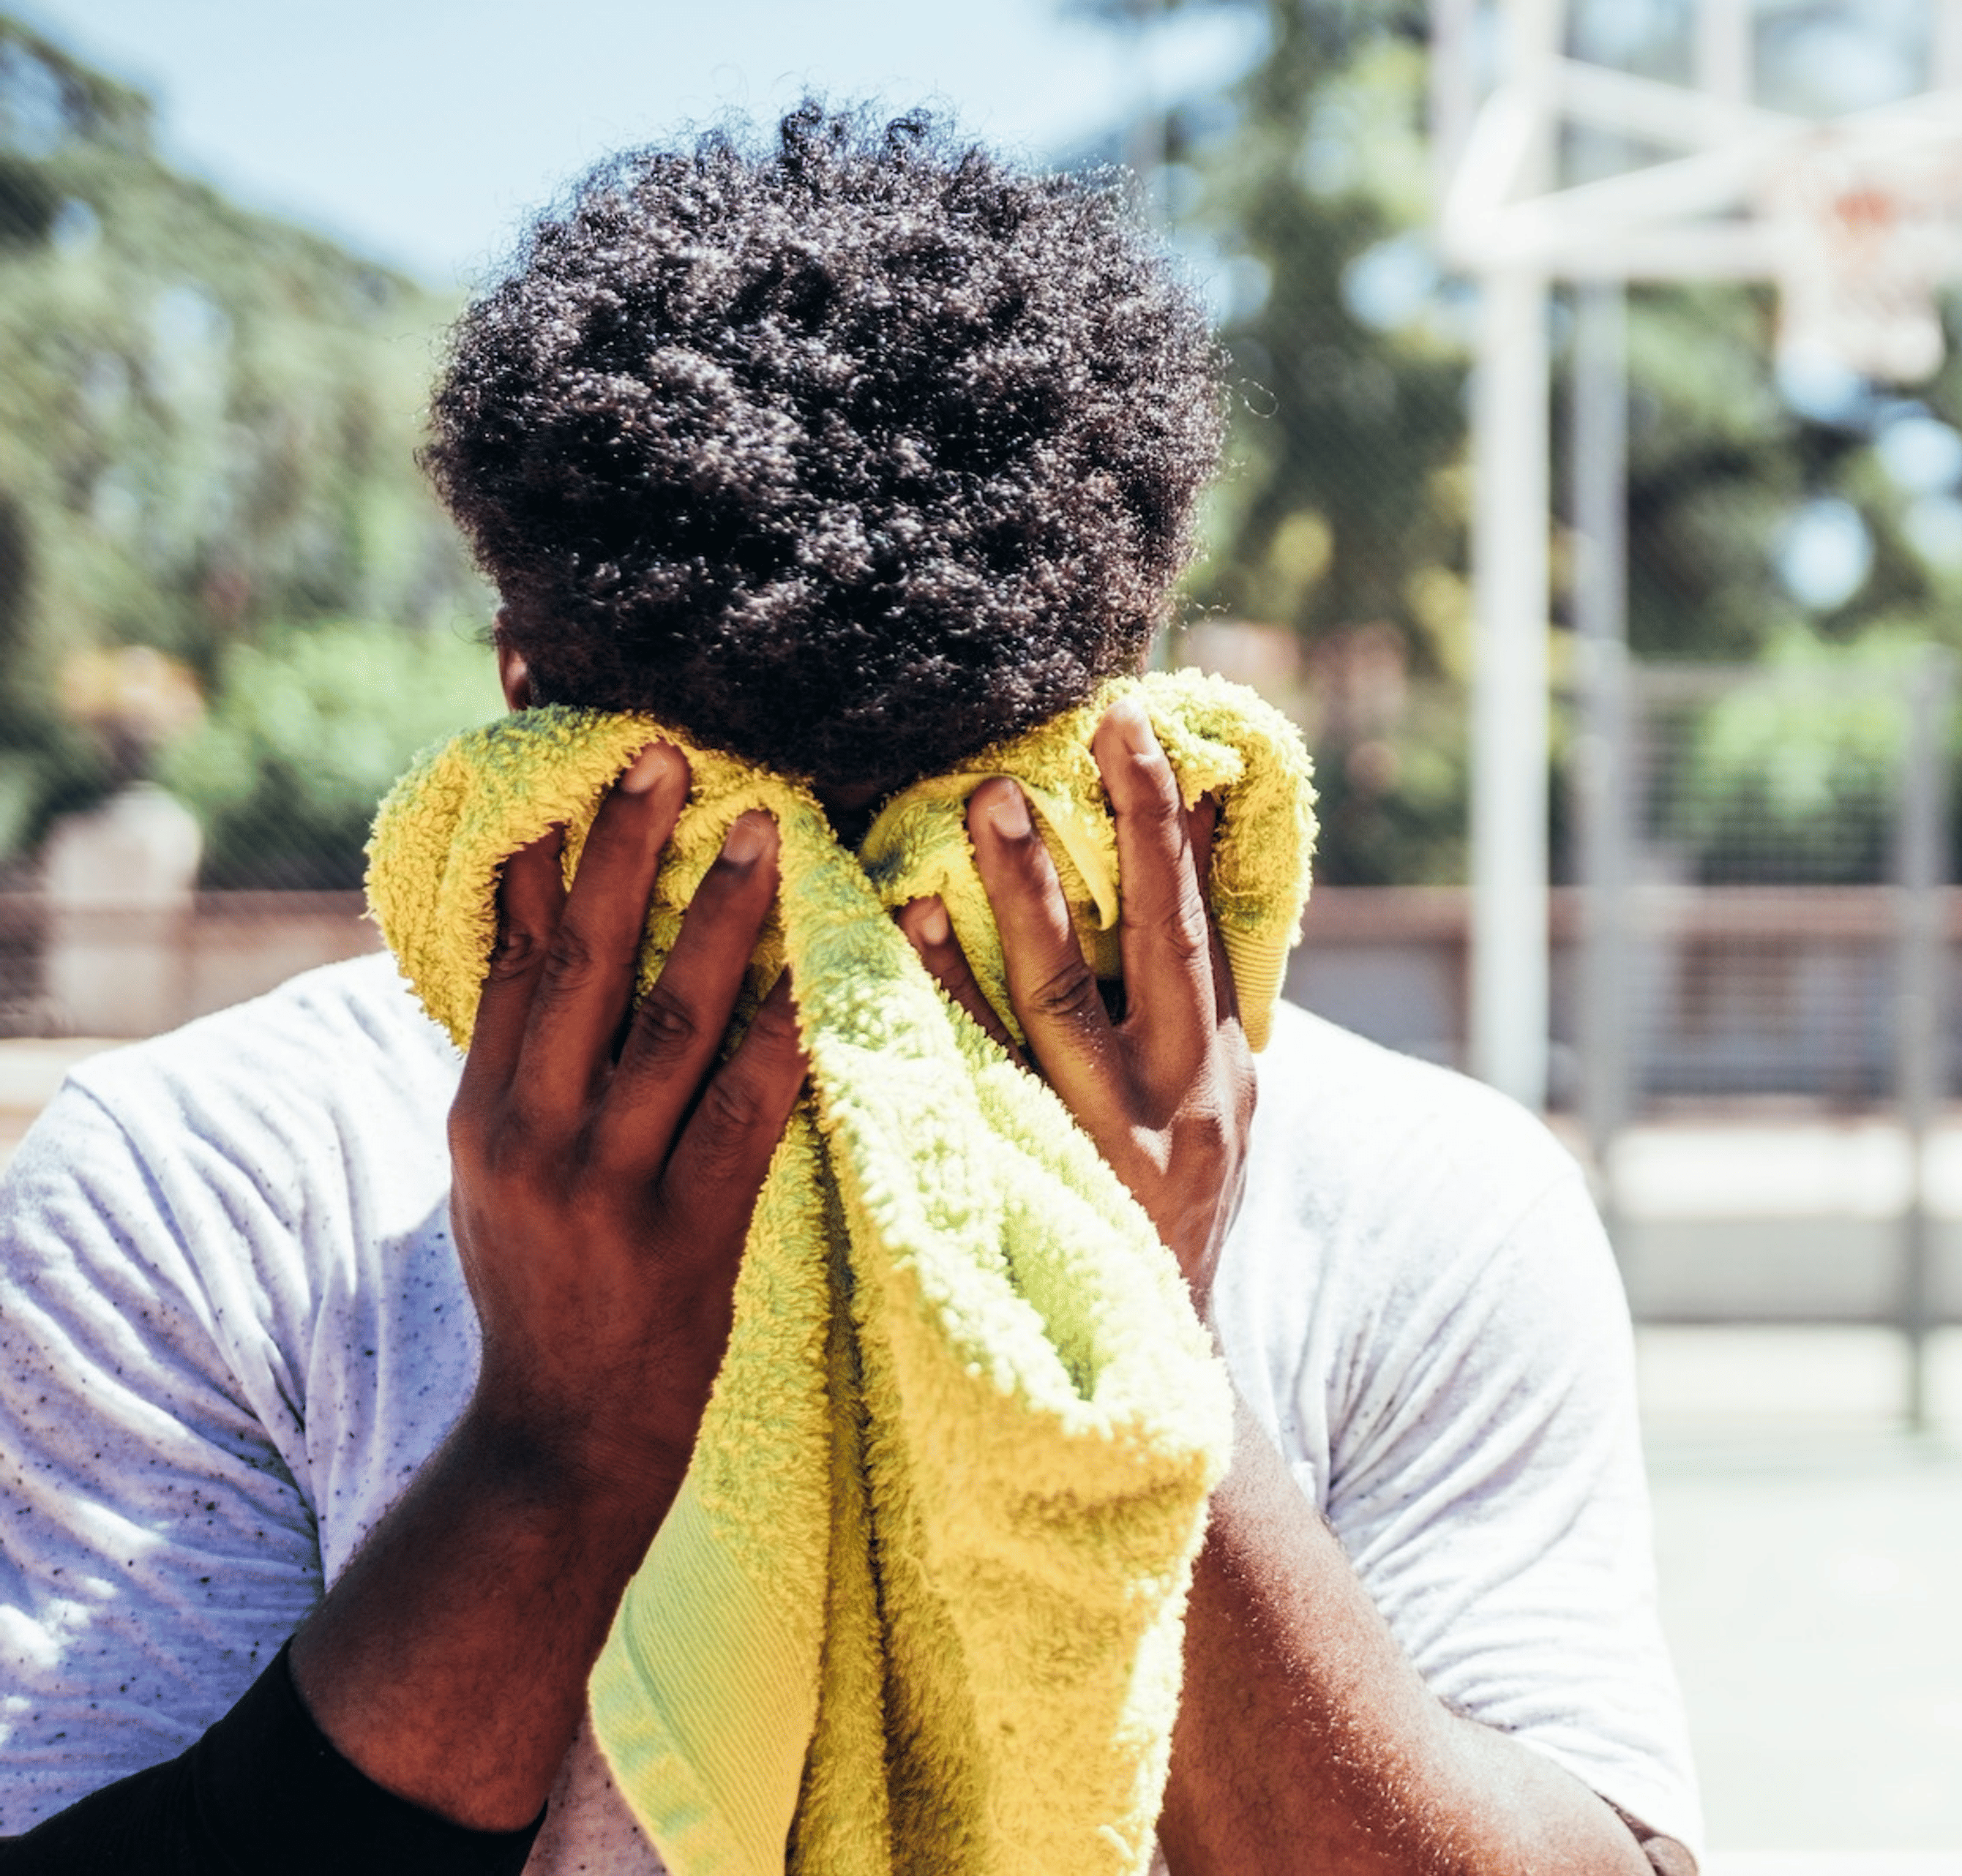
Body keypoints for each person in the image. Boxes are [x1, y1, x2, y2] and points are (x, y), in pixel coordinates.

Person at [0, 104, 1700, 1874]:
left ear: (520, 697)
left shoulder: (1427, 1204)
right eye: (772, 869)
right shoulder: (202, 1186)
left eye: (913, 865)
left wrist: (1135, 1360)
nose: (854, 995)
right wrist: (558, 1446)